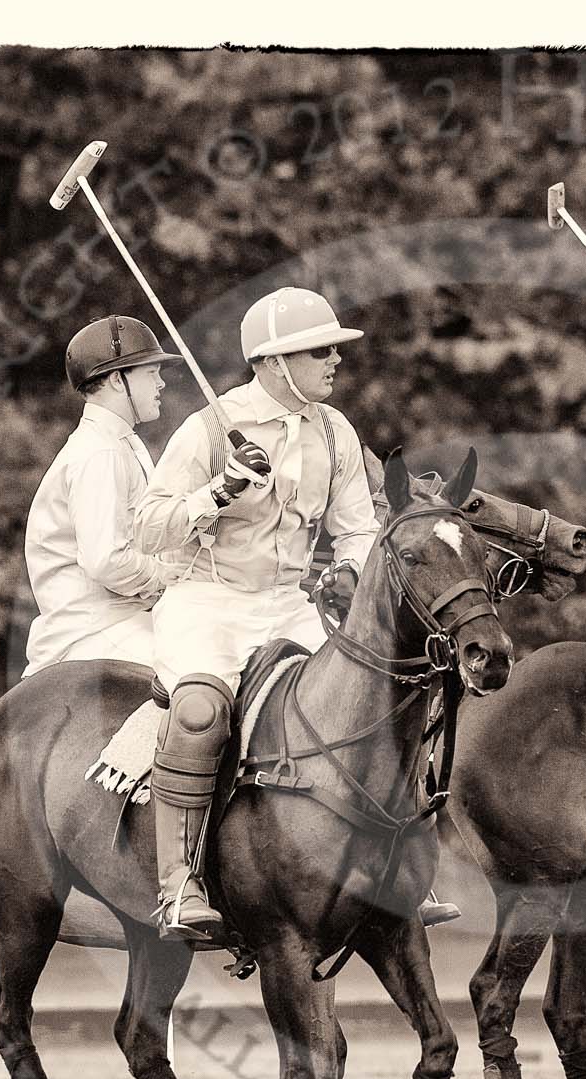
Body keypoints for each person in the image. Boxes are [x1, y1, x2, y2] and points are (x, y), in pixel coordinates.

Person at [128, 287, 382, 942]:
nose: (334, 360)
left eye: (333, 349)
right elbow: (148, 528)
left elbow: (360, 529)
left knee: (369, 698)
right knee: (199, 711)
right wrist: (220, 491)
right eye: (317, 350)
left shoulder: (336, 431)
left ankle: (391, 865)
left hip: (288, 603)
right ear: (271, 362)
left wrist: (350, 570)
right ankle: (179, 883)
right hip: (207, 600)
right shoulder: (210, 430)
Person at [21, 315, 178, 677]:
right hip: (92, 629)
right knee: (195, 677)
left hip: (123, 618)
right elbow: (106, 560)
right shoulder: (100, 453)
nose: (162, 382)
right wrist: (172, 576)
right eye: (150, 373)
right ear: (115, 380)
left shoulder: (122, 444)